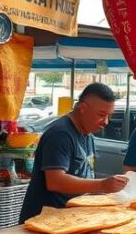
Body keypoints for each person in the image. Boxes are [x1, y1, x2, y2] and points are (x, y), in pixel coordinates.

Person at [19, 83, 128, 222]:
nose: (106, 122)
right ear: (83, 108)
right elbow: (55, 181)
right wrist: (101, 185)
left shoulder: (88, 134)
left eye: (109, 116)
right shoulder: (60, 134)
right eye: (101, 115)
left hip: (69, 218)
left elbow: (85, 175)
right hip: (44, 220)